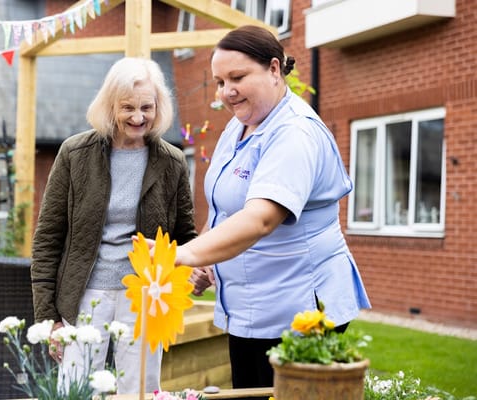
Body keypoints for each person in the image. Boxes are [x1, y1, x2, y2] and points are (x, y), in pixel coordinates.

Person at [172, 25, 372, 391]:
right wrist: (205, 260)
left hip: (298, 311)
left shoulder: (295, 132)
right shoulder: (239, 127)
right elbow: (225, 209)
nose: (226, 91)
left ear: (275, 69)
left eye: (237, 77)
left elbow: (262, 218)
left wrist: (184, 253)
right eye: (219, 81)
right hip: (250, 308)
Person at [31, 57, 197, 395]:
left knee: (139, 390)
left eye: (147, 107)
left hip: (146, 297)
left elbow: (185, 237)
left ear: (158, 106)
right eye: (128, 108)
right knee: (76, 389)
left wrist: (196, 269)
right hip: (84, 295)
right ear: (110, 106)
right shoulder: (74, 154)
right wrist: (49, 318)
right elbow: (48, 239)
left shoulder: (172, 162)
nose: (138, 117)